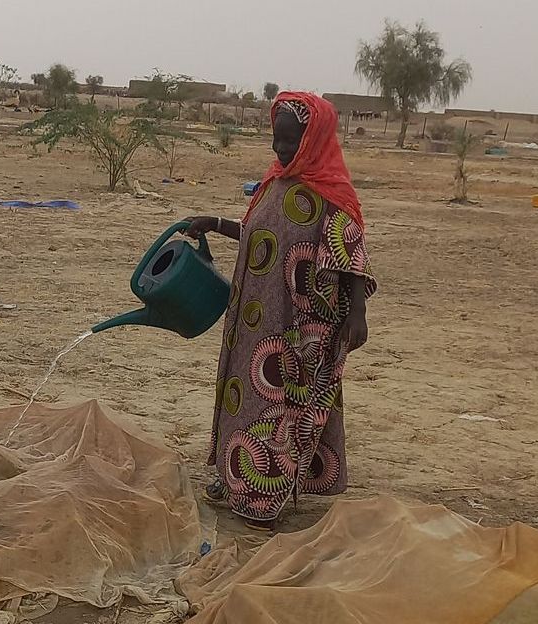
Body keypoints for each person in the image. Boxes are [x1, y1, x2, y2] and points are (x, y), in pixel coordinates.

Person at [185, 92, 377, 530]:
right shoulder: (275, 184)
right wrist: (215, 224)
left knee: (285, 406)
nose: (280, 149)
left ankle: (263, 498)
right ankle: (236, 478)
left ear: (314, 138)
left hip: (301, 326)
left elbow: (351, 256)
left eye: (290, 141)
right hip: (255, 320)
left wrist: (357, 315)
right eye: (277, 139)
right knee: (246, 397)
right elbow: (257, 235)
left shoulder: (331, 193)